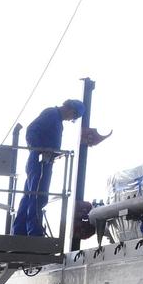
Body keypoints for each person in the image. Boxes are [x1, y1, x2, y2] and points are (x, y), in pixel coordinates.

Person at [12, 98, 85, 236]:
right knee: (38, 196)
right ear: (70, 109)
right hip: (40, 161)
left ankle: (19, 230)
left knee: (30, 195)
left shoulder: (55, 118)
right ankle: (34, 230)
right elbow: (31, 130)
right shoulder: (52, 114)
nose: (71, 119)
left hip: (42, 161)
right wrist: (40, 149)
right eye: (73, 116)